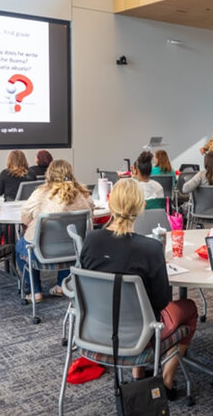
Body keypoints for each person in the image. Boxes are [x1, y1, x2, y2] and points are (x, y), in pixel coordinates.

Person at [80, 178, 197, 399]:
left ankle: (138, 373)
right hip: (142, 334)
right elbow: (162, 301)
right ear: (141, 207)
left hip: (96, 328)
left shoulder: (91, 240)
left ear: (111, 205)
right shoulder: (151, 249)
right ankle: (166, 382)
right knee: (188, 308)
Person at [15, 160, 95, 302]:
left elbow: (25, 219)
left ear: (49, 174)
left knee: (21, 245)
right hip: (74, 251)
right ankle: (60, 286)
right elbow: (91, 212)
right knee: (67, 241)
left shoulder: (40, 193)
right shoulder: (83, 194)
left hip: (40, 252)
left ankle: (36, 292)